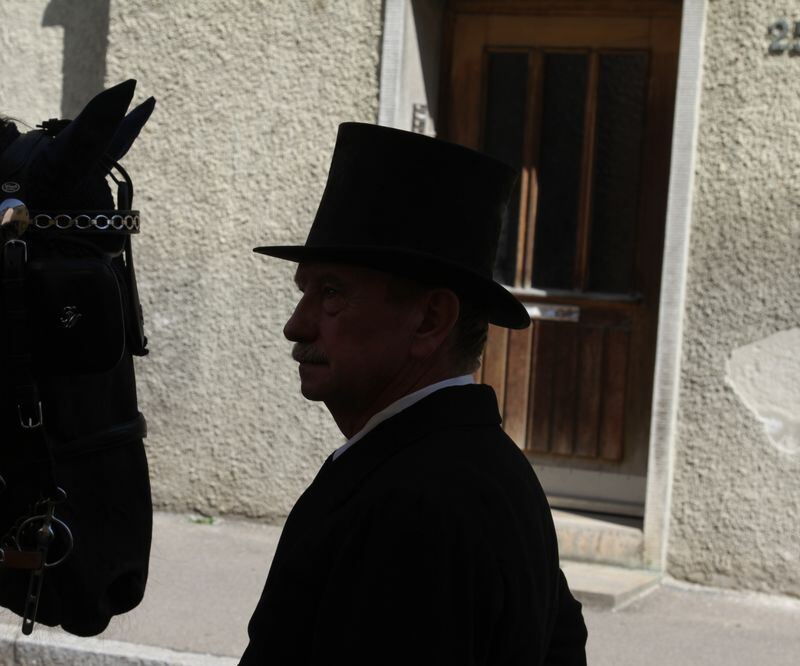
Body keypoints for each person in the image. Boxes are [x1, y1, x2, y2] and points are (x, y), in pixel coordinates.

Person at [240, 123, 588, 665]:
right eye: (304, 291)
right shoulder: (477, 469)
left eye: (331, 293)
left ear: (430, 319)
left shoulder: (421, 500)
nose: (296, 325)